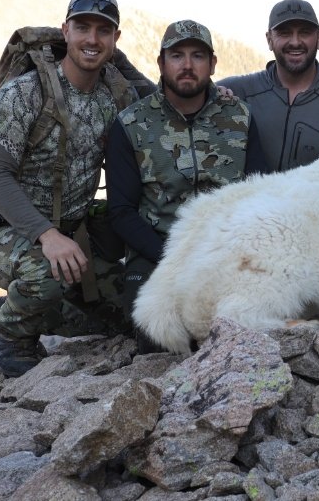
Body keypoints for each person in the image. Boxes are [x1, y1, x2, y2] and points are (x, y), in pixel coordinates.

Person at [0, 0, 149, 377]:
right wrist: (47, 236)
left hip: (73, 234)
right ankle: (13, 334)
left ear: (115, 40)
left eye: (103, 31)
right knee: (44, 275)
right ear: (65, 30)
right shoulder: (24, 93)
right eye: (82, 27)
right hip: (4, 231)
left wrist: (216, 96)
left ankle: (30, 311)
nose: (92, 39)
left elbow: (165, 108)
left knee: (136, 311)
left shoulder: (117, 95)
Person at [105, 20, 269, 349]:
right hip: (157, 252)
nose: (187, 65)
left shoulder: (239, 117)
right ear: (161, 63)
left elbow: (259, 193)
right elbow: (121, 211)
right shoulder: (132, 124)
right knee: (158, 339)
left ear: (213, 64)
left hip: (227, 249)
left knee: (243, 332)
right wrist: (174, 258)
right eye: (177, 56)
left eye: (198, 56)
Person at [216, 0, 319, 171]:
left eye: (305, 32)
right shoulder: (237, 92)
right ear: (269, 39)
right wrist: (209, 96)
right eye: (284, 33)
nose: (295, 42)